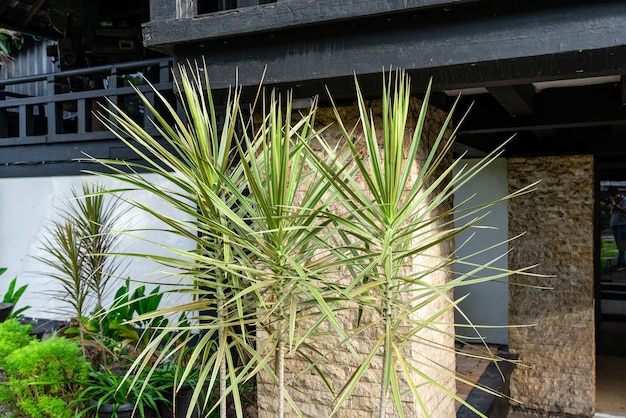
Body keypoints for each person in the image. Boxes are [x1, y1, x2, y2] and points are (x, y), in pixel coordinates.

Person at [608, 186, 626, 270]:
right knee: (619, 245)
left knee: (622, 244)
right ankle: (622, 262)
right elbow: (610, 210)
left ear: (618, 194)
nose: (613, 197)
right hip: (614, 225)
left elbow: (625, 210)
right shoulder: (613, 201)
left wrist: (616, 205)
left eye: (614, 195)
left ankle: (621, 263)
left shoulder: (624, 200)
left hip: (622, 224)